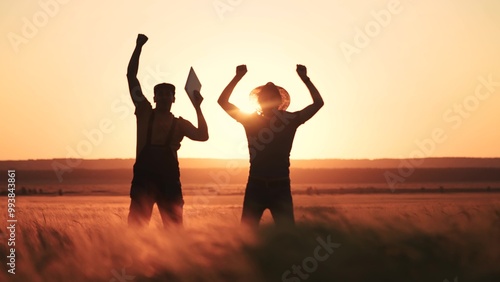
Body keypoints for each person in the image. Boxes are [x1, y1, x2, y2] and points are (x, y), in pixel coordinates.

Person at [217, 64, 324, 227]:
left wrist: (306, 79)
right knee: (247, 234)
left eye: (271, 96)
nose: (268, 99)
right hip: (256, 184)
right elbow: (222, 102)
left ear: (279, 100)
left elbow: (318, 104)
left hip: (280, 185)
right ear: (259, 101)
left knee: (287, 236)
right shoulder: (250, 120)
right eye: (265, 97)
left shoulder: (289, 120)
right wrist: (237, 77)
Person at [126, 34, 208, 228]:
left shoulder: (180, 124)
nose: (163, 97)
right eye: (160, 94)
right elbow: (131, 77)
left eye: (167, 94)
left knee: (174, 229)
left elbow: (203, 136)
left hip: (169, 181)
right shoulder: (144, 112)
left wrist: (198, 107)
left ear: (174, 99)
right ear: (154, 98)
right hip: (143, 179)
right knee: (135, 229)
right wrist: (139, 47)